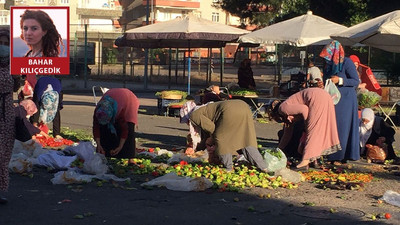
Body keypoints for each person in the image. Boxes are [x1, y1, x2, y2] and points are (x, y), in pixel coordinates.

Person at [269, 88, 341, 170]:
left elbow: (304, 109)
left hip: (317, 97)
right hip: (324, 96)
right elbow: (287, 135)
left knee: (313, 130)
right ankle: (314, 159)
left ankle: (305, 162)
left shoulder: (282, 108)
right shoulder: (288, 109)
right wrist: (278, 150)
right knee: (320, 129)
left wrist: (307, 126)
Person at [189, 100, 267, 172]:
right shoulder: (204, 109)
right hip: (244, 106)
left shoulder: (194, 115)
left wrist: (211, 138)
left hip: (229, 111)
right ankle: (263, 167)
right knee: (245, 140)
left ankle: (228, 167)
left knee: (221, 138)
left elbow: (212, 128)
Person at [320, 40, 360, 165]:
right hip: (332, 98)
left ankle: (340, 156)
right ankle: (331, 154)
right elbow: (327, 79)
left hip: (346, 99)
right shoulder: (328, 65)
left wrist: (340, 80)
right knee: (332, 126)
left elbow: (355, 81)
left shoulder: (347, 62)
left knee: (342, 127)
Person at [16, 9, 64, 100]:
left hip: (42, 107)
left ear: (44, 31)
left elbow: (49, 87)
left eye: (34, 28)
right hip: (27, 105)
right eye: (25, 28)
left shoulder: (49, 57)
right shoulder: (27, 56)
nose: (28, 33)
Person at [93, 88, 139, 159]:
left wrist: (120, 146)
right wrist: (99, 145)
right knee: (104, 128)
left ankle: (130, 157)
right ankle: (107, 151)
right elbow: (96, 127)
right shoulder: (98, 111)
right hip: (114, 95)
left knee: (128, 126)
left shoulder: (119, 112)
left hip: (128, 99)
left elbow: (124, 130)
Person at [0, 28, 14, 204]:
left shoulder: (14, 65)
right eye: (0, 43)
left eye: (6, 44)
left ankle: (1, 189)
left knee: (4, 154)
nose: (2, 47)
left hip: (7, 115)